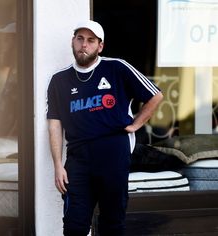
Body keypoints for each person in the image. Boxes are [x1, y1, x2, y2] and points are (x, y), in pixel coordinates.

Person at [47, 20, 163, 236]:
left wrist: (136, 123)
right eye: (80, 39)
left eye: (91, 40)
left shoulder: (116, 67)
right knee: (73, 226)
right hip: (78, 160)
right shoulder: (59, 80)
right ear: (73, 41)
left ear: (100, 46)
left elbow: (155, 95)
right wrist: (57, 165)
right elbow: (54, 123)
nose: (84, 45)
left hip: (113, 156)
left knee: (112, 224)